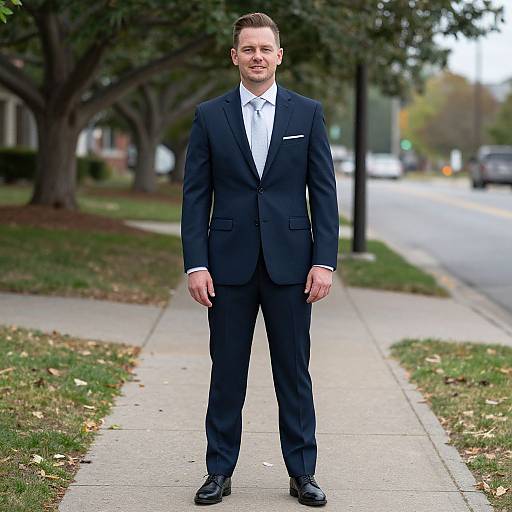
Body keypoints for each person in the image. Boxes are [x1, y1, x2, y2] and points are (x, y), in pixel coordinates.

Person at [181, 11, 339, 507]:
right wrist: (196, 263)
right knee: (226, 372)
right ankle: (218, 472)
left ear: (278, 55)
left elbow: (324, 193)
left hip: (292, 268)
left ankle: (302, 473)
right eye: (247, 49)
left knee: (293, 373)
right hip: (226, 268)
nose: (256, 57)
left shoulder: (306, 113)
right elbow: (194, 196)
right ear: (235, 56)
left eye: (264, 49)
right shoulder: (210, 116)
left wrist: (325, 261)